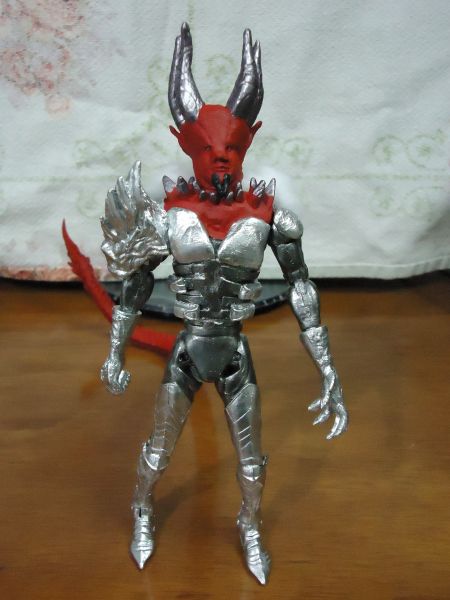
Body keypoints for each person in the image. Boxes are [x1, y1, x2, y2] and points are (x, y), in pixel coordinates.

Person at [100, 23, 348, 586]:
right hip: (188, 351)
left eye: (232, 147)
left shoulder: (272, 219)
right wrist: (115, 351)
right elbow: (135, 286)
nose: (220, 157)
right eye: (208, 147)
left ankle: (250, 526)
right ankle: (142, 509)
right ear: (185, 144)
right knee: (159, 451)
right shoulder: (168, 219)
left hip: (235, 353)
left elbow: (302, 287)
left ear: (249, 142)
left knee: (252, 462)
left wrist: (328, 367)